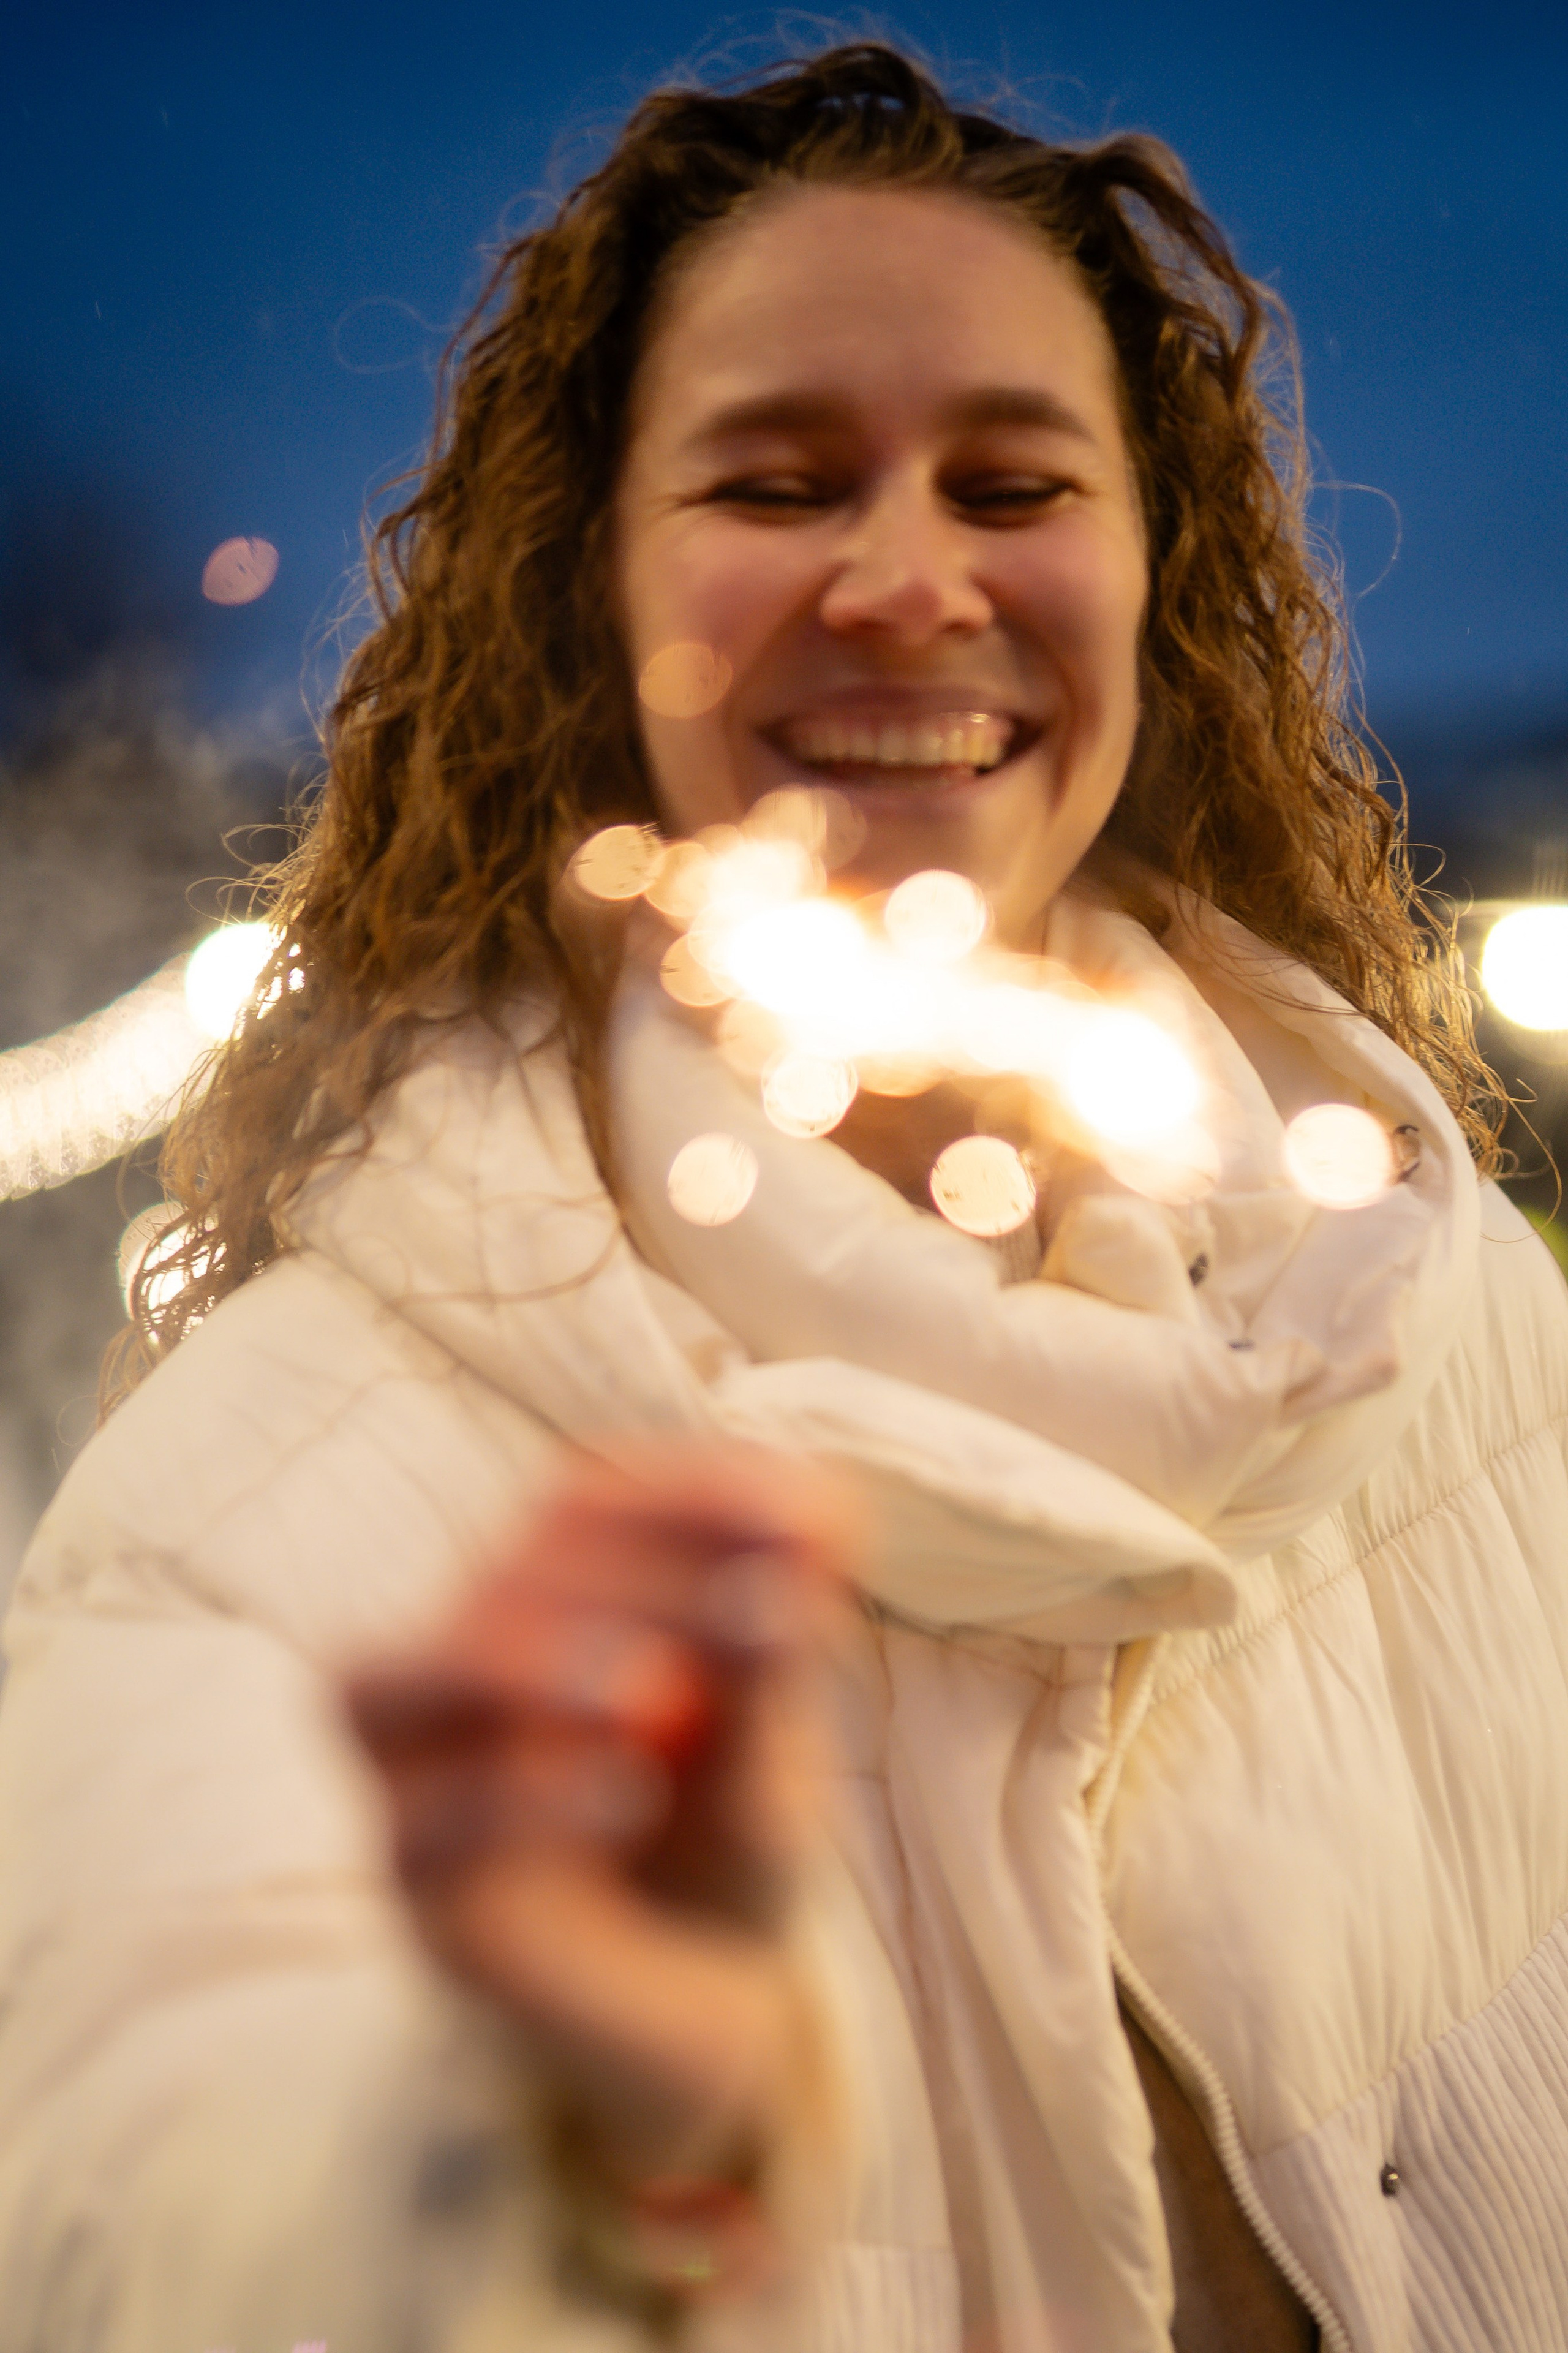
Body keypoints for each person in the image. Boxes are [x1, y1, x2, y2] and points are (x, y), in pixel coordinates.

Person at [1, 37, 1565, 2353]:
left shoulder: (1448, 1324)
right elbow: (122, 2213)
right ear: (591, 588)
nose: (912, 577)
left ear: (1155, 578)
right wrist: (507, 2176)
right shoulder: (254, 1519)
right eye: (778, 480)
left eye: (1014, 480)